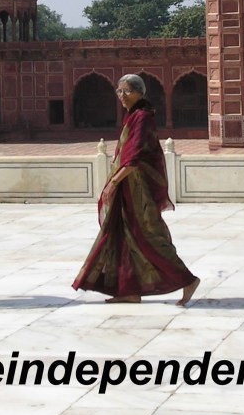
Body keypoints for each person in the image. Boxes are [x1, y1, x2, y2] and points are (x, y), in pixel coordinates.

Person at [73, 74, 200, 306]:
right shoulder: (132, 116)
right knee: (122, 237)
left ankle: (187, 279)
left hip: (138, 190)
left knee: (148, 236)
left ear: (140, 93)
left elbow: (135, 155)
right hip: (129, 188)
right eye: (119, 91)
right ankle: (129, 290)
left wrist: (113, 182)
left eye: (127, 91)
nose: (122, 96)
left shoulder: (142, 117)